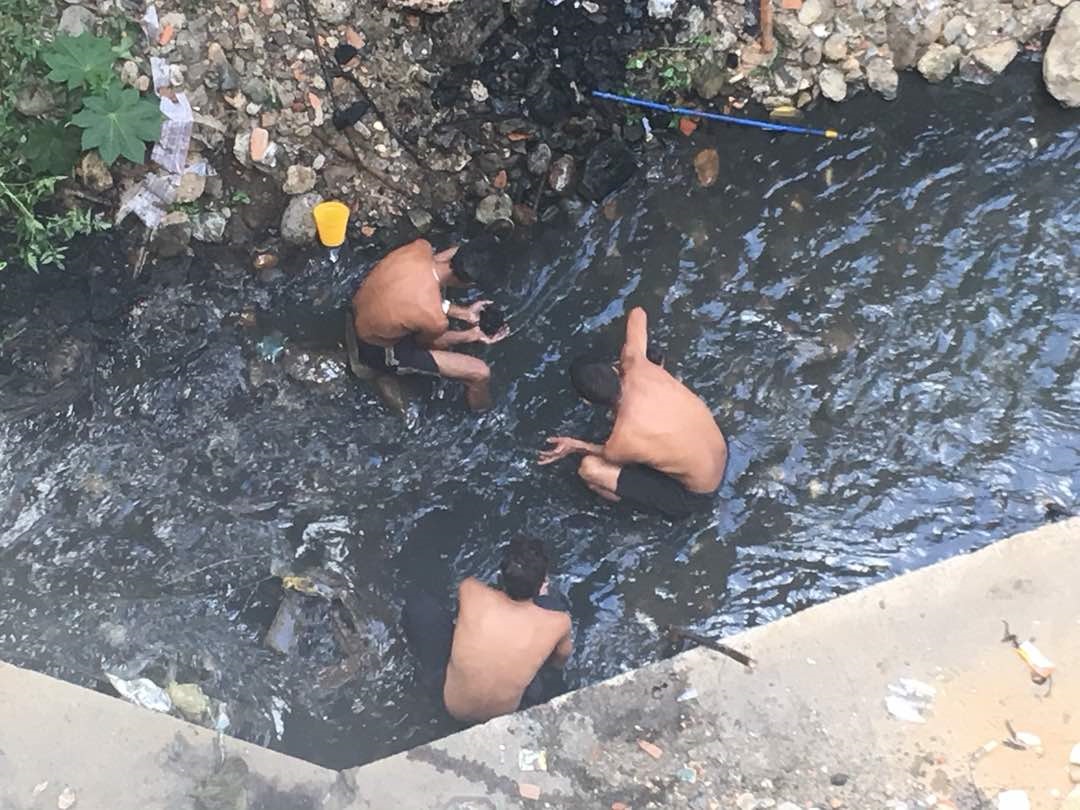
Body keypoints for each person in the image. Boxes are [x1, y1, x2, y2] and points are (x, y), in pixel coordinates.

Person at [538, 307, 727, 519]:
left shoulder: (622, 439)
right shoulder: (636, 362)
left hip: (696, 496)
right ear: (614, 369)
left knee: (589, 469)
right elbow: (639, 313)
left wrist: (575, 446)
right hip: (720, 451)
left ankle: (645, 511)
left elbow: (607, 453)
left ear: (586, 401)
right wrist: (631, 353)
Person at [402, 537, 573, 724]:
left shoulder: (470, 589)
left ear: (501, 576)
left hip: (450, 704)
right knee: (551, 607)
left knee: (419, 605)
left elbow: (462, 623)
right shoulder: (560, 622)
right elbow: (558, 663)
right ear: (542, 583)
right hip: (505, 716)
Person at [350, 236, 509, 410]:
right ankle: (482, 413)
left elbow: (425, 283)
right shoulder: (435, 320)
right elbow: (429, 344)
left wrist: (464, 313)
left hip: (361, 308)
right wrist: (471, 335)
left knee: (431, 295)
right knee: (480, 373)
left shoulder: (420, 248)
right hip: (375, 348)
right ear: (469, 283)